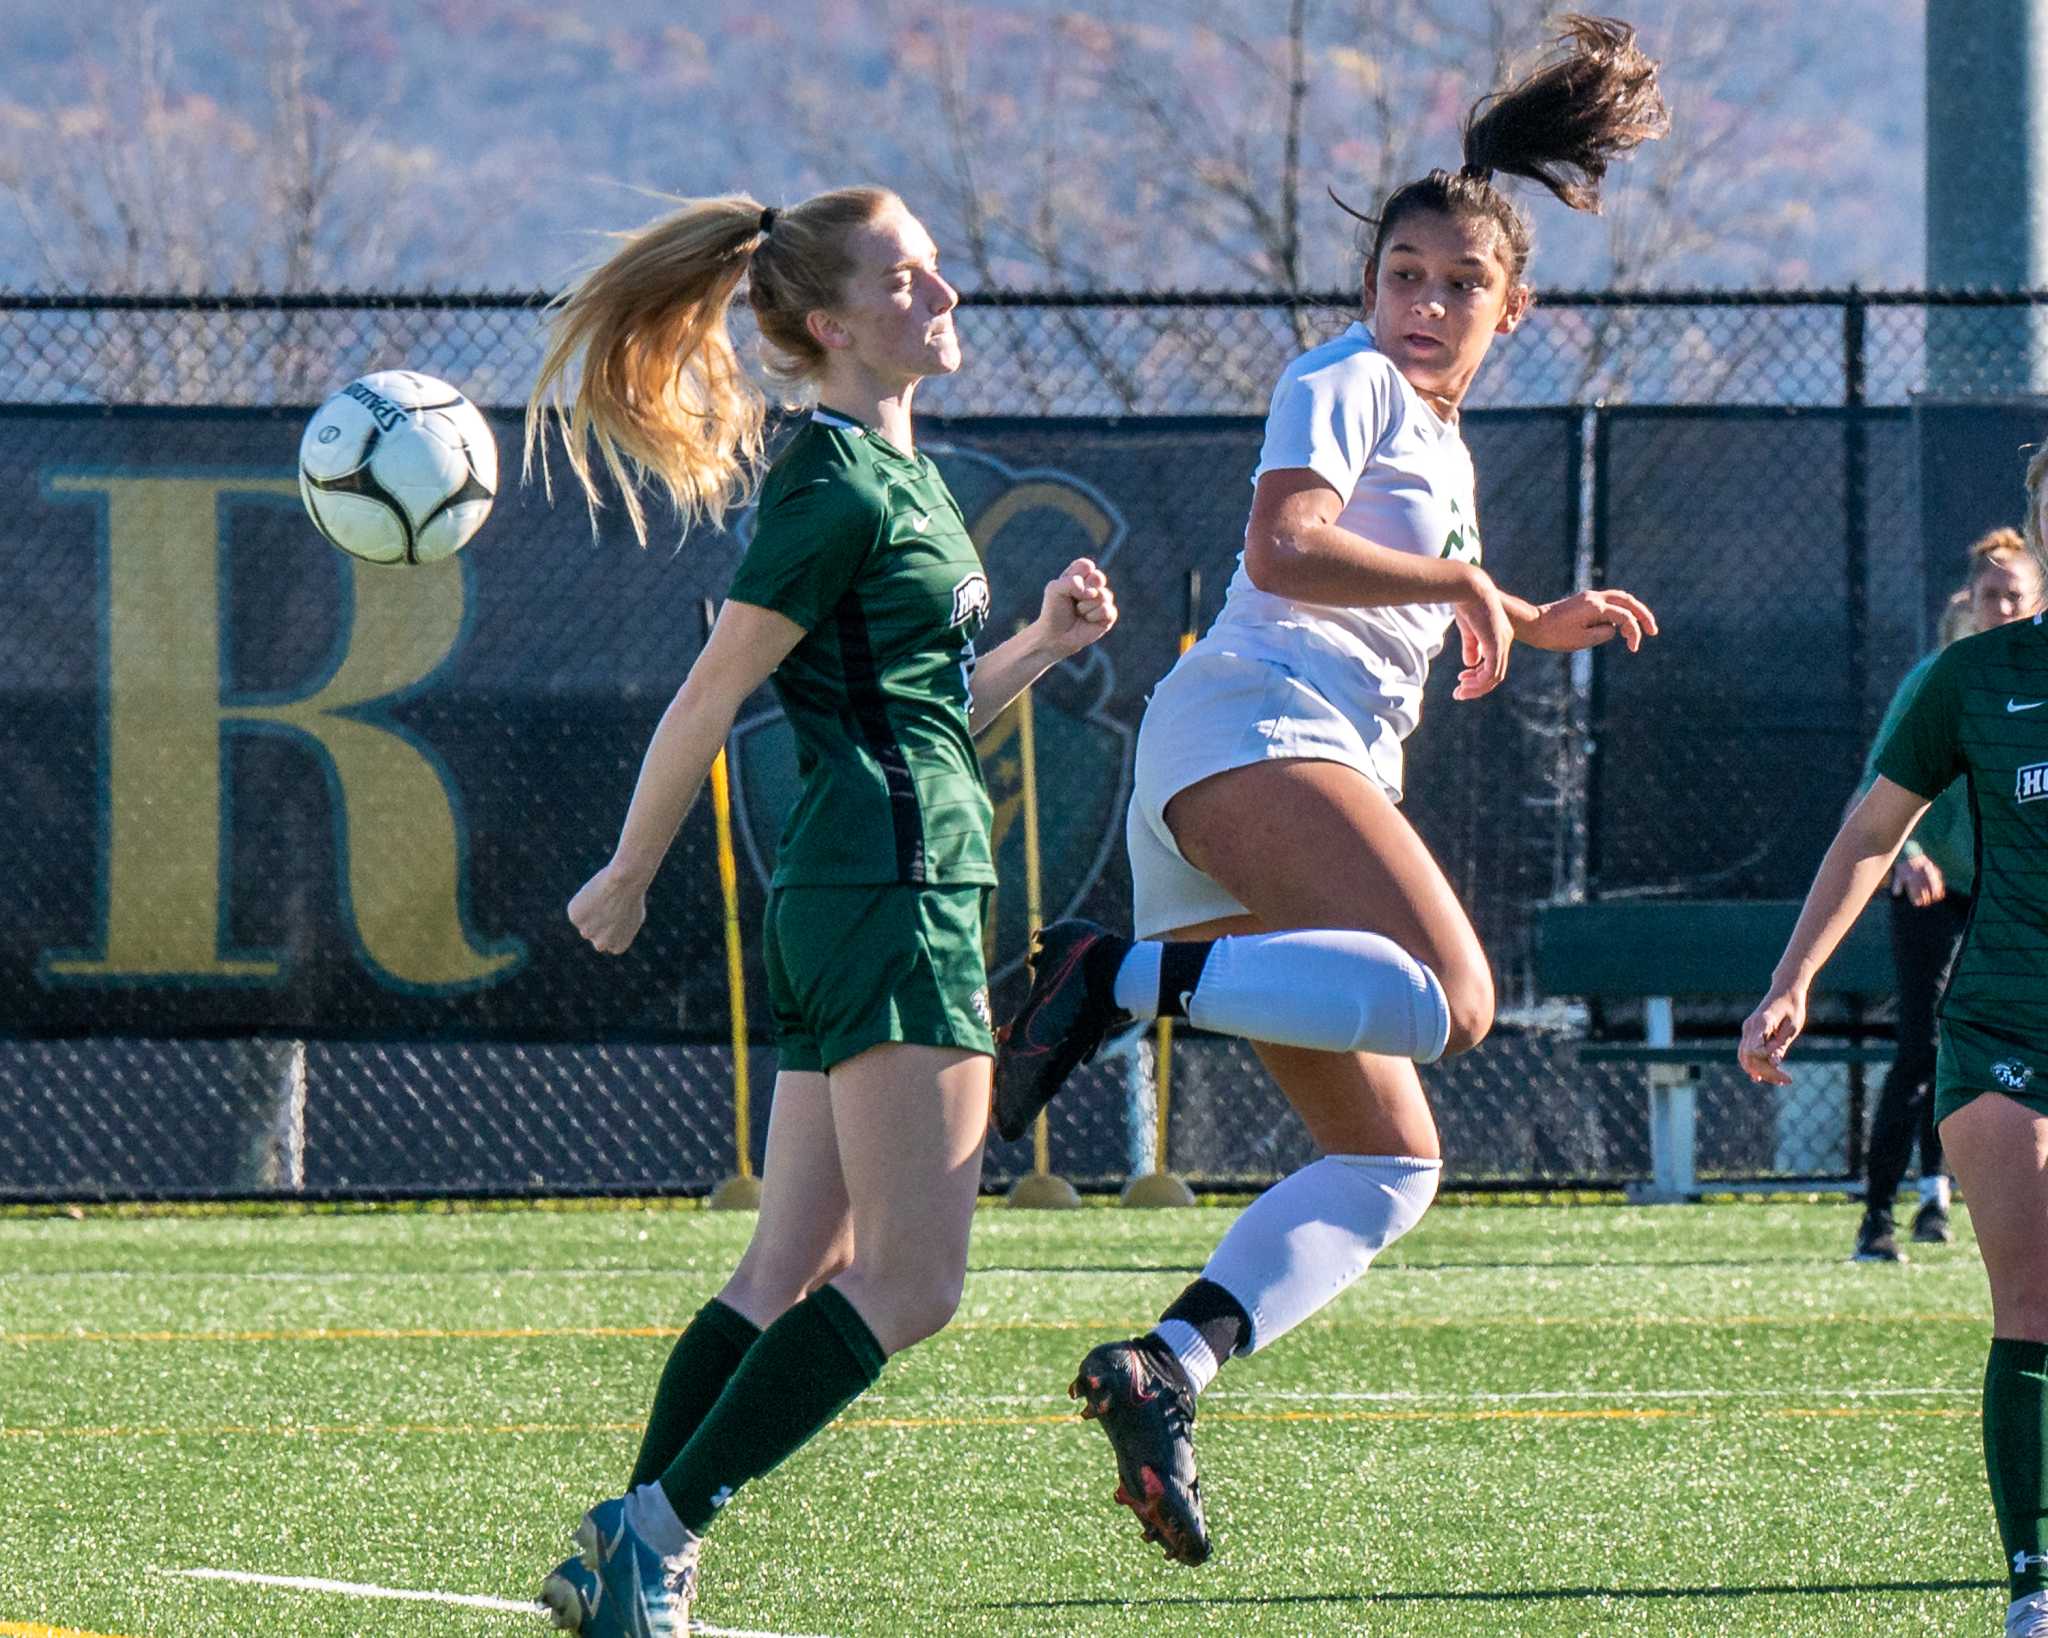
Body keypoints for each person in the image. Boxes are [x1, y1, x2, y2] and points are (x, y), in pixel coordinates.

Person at [990, 14, 1667, 1567]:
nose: (1425, 303)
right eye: (1404, 274)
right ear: (1370, 291)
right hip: (1251, 729)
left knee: (1391, 1161)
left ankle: (1166, 1364)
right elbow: (1284, 546)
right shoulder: (1346, 375)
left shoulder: (1431, 432)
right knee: (1456, 990)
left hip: (1268, 759)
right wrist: (1462, 582)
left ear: (1517, 306)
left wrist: (1507, 604)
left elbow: (1407, 572)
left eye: (1459, 283)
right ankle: (1115, 976)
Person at [521, 186, 1117, 1636]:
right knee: (913, 1286)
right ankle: (657, 1531)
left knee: (794, 1263)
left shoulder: (896, 477)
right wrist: (631, 863)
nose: (943, 294)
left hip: (881, 884)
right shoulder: (835, 482)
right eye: (906, 279)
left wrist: (1038, 643)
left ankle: (623, 1547)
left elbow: (913, 713)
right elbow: (714, 694)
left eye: (934, 271)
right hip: (888, 899)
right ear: (828, 325)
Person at [1740, 445, 2048, 1636]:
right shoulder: (1969, 679)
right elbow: (1870, 831)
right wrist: (1790, 979)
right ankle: (2032, 1586)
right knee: (2029, 1300)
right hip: (2005, 1026)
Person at [1852, 529, 2046, 1262]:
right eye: (1989, 597)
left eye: (2013, 597)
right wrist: (1908, 853)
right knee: (1920, 1046)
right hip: (1934, 887)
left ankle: (1939, 1200)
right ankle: (1876, 1216)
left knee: (1984, 1046)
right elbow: (1876, 798)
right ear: (1970, 604)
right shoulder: (1943, 679)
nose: (2000, 608)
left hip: (2010, 895)